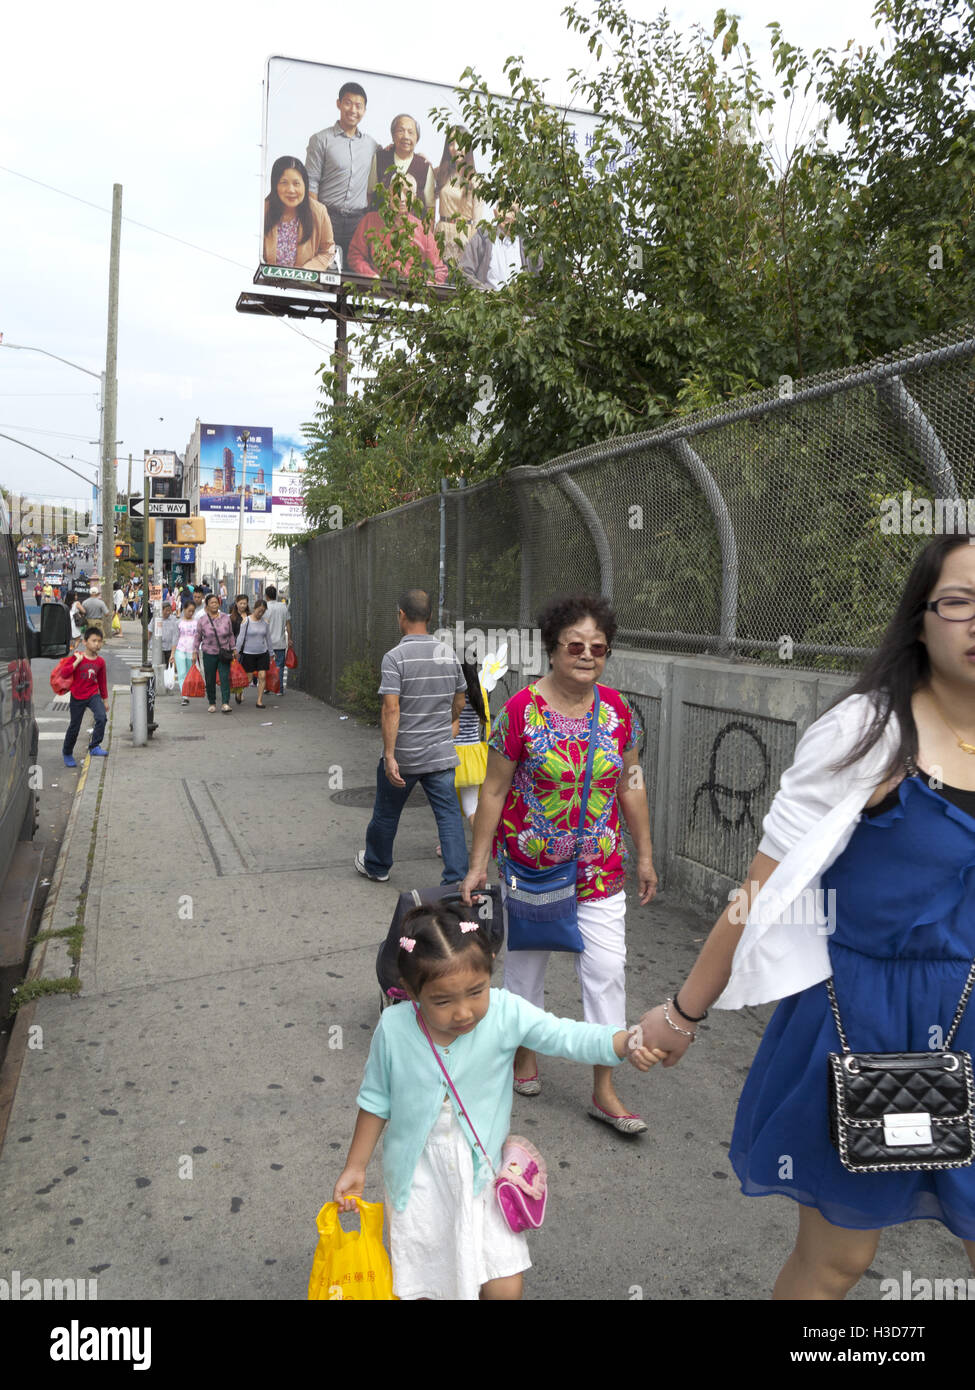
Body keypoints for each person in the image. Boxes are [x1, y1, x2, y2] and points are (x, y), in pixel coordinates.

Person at [636, 532, 975, 1299]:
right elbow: (762, 889)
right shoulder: (868, 733)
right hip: (860, 1016)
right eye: (958, 602)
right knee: (837, 1261)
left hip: (972, 1011)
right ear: (920, 618)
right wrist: (683, 1013)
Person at [332, 902, 664, 1300]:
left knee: (504, 1283)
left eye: (476, 991)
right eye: (442, 1001)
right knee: (427, 1278)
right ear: (412, 992)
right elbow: (376, 1100)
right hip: (419, 1178)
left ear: (490, 968)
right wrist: (356, 1166)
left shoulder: (505, 1012)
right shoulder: (394, 1028)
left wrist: (626, 1041)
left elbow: (565, 1035)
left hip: (483, 1171)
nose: (463, 1011)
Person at [460, 593, 657, 1132]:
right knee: (526, 970)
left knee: (606, 972)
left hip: (599, 871)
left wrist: (645, 854)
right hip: (531, 871)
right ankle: (525, 1050)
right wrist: (478, 866)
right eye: (576, 645)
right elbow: (494, 791)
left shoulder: (619, 713)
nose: (587, 655)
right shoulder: (519, 711)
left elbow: (631, 784)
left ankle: (604, 1085)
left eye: (599, 647)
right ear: (553, 649)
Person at [354, 589, 469, 887]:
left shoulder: (395, 658)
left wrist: (390, 756)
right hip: (440, 755)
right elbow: (460, 700)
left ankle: (377, 865)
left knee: (386, 813)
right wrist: (448, 724)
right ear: (430, 617)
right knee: (449, 816)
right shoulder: (448, 654)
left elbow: (391, 708)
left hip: (404, 755)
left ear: (401, 615)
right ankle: (456, 879)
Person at [304, 81, 380, 265]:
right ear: (338, 104)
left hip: (358, 221)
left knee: (354, 276)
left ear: (364, 110)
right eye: (348, 103)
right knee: (326, 273)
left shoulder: (371, 145)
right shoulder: (321, 140)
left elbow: (390, 159)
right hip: (328, 218)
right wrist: (317, 220)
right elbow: (311, 182)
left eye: (359, 106)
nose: (353, 110)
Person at [347, 173, 448, 285]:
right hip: (376, 289)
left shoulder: (423, 231)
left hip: (410, 294)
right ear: (389, 194)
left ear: (414, 199)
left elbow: (439, 271)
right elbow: (354, 256)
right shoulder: (370, 221)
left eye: (407, 193)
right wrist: (372, 277)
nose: (402, 198)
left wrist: (424, 286)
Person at [263, 155, 337, 271]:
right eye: (284, 183)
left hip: (305, 284)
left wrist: (304, 272)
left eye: (296, 183)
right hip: (268, 283)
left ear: (305, 185)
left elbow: (328, 251)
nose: (291, 190)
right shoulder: (262, 210)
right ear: (275, 186)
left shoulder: (319, 211)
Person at [458, 204, 542, 291]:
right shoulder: (483, 237)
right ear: (495, 212)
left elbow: (541, 276)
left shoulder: (528, 243)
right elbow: (464, 271)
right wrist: (484, 293)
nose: (506, 215)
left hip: (520, 302)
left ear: (519, 215)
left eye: (511, 210)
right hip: (489, 302)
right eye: (502, 209)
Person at [434, 131, 485, 264]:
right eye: (451, 143)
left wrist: (472, 250)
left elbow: (477, 221)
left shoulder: (476, 180)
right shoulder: (441, 172)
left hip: (464, 238)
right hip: (441, 235)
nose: (456, 147)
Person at [370, 114, 435, 215]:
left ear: (417, 138)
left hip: (414, 228)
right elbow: (370, 194)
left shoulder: (424, 166)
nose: (406, 136)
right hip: (382, 227)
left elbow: (430, 205)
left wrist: (429, 229)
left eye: (411, 132)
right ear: (392, 135)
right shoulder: (380, 158)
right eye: (400, 131)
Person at [62, 627, 109, 768]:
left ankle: (95, 746)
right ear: (85, 642)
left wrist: (105, 700)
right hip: (77, 696)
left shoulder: (100, 662)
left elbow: (102, 682)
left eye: (99, 641)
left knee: (101, 717)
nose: (97, 644)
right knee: (75, 726)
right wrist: (76, 661)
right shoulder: (77, 657)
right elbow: (64, 673)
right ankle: (67, 752)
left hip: (93, 695)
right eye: (94, 640)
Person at [194, 593, 236, 714]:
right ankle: (212, 702)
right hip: (209, 653)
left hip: (224, 652)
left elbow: (230, 634)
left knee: (224, 677)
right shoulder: (202, 620)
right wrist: (194, 651)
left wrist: (234, 648)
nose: (214, 604)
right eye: (211, 602)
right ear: (207, 605)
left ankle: (225, 703)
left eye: (216, 602)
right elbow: (198, 637)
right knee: (210, 678)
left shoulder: (225, 618)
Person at [235, 598, 274, 708]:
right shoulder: (246, 621)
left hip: (262, 653)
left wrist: (271, 653)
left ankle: (259, 701)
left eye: (263, 611)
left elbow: (268, 639)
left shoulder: (265, 623)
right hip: (248, 654)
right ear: (254, 608)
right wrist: (236, 652)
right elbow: (240, 638)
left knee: (262, 676)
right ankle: (239, 693)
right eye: (259, 610)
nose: (260, 613)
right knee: (249, 678)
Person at [263, 585, 292, 695]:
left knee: (266, 666)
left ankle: (266, 687)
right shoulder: (283, 607)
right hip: (280, 643)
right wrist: (289, 638)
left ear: (266, 596)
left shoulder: (264, 607)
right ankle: (279, 689)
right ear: (276, 595)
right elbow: (288, 624)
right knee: (279, 666)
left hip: (266, 643)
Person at [170, 600, 198, 705]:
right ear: (184, 609)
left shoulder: (196, 623)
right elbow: (175, 639)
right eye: (189, 611)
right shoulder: (178, 623)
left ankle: (188, 691)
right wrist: (172, 654)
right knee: (181, 673)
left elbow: (198, 638)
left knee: (189, 673)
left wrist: (196, 652)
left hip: (192, 651)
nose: (191, 613)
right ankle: (185, 695)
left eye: (193, 611)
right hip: (180, 649)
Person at [229, 593, 251, 704]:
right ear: (236, 603)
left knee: (247, 672)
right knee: (238, 671)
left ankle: (240, 692)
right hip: (237, 648)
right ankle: (238, 692)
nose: (242, 605)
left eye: (244, 603)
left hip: (249, 648)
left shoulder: (250, 616)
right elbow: (231, 634)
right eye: (240, 603)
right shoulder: (232, 617)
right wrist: (233, 649)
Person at [160, 602, 178, 669]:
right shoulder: (157, 619)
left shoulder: (174, 619)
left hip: (171, 648)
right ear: (162, 610)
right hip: (160, 648)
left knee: (170, 668)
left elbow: (176, 634)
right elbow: (150, 631)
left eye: (169, 610)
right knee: (162, 667)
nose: (168, 612)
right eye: (166, 610)